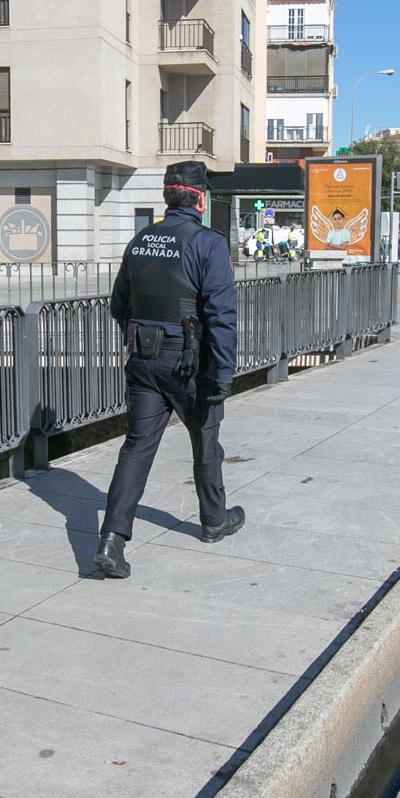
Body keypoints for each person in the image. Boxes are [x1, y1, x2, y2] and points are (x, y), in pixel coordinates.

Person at [93, 162, 244, 579]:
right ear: (199, 198)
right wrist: (224, 373)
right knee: (206, 441)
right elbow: (221, 315)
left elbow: (119, 305)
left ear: (167, 196)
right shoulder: (208, 244)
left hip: (143, 361)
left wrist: (144, 337)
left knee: (137, 449)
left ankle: (111, 540)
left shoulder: (140, 241)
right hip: (189, 364)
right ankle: (214, 521)